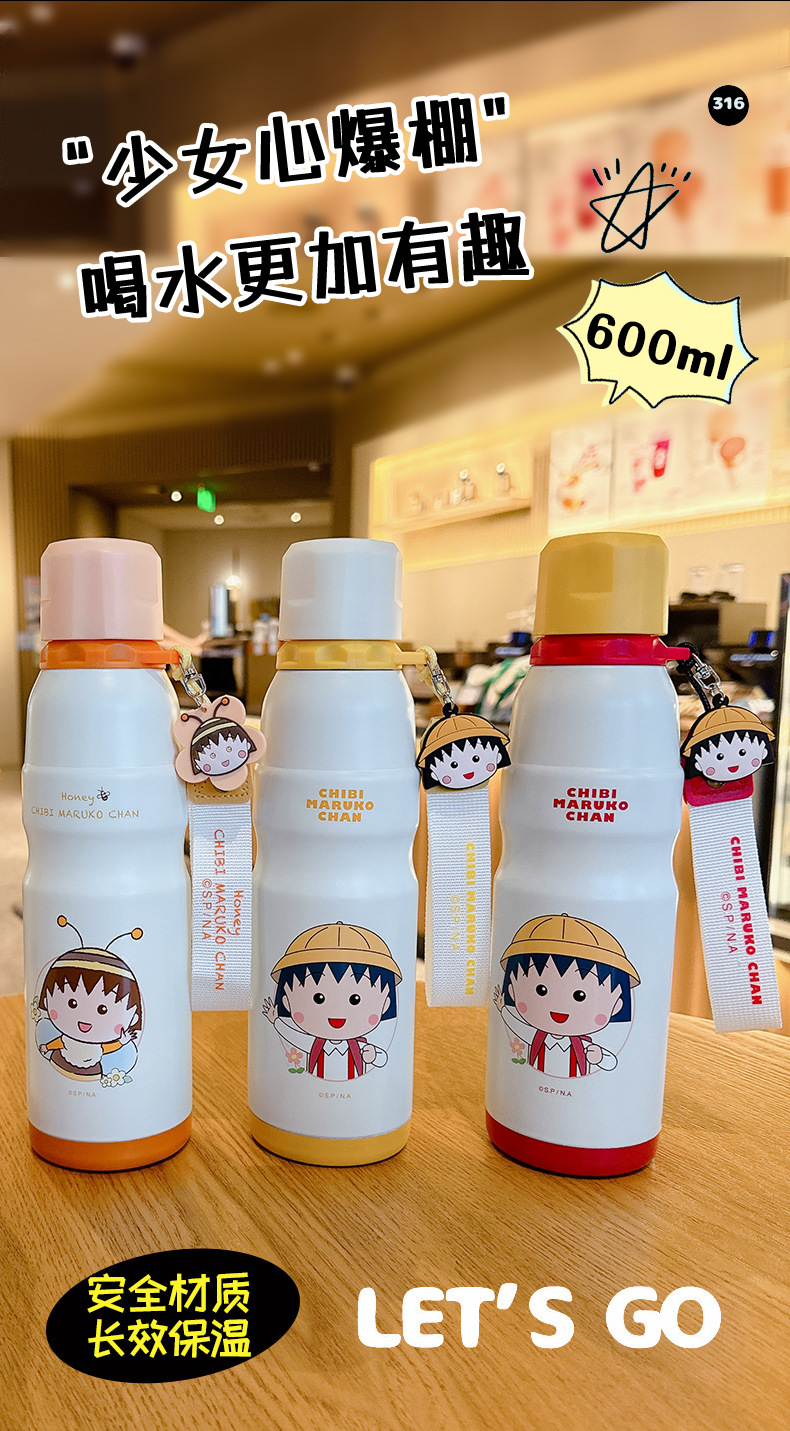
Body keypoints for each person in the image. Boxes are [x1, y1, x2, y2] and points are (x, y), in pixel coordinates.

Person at [493, 913, 639, 1079]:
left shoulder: (584, 1046)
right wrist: (503, 1009)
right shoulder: (536, 1037)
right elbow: (516, 1026)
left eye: (580, 996)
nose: (560, 1006)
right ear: (512, 991)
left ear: (617, 1005)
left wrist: (599, 1058)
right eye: (541, 990)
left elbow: (610, 1062)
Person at [263, 921, 401, 1080]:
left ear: (385, 1005)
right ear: (286, 1002)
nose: (337, 1011)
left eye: (355, 999)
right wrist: (276, 1021)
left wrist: (374, 1056)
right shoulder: (314, 1045)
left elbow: (382, 1059)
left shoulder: (360, 1047)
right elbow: (292, 1036)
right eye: (318, 998)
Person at [33, 917, 143, 1084]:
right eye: (72, 1003)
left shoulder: (97, 1047)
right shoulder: (66, 1039)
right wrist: (46, 1047)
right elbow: (59, 1042)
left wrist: (122, 1041)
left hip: (92, 1069)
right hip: (59, 1062)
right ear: (47, 1001)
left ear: (133, 1017)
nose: (85, 1018)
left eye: (102, 1009)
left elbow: (108, 1047)